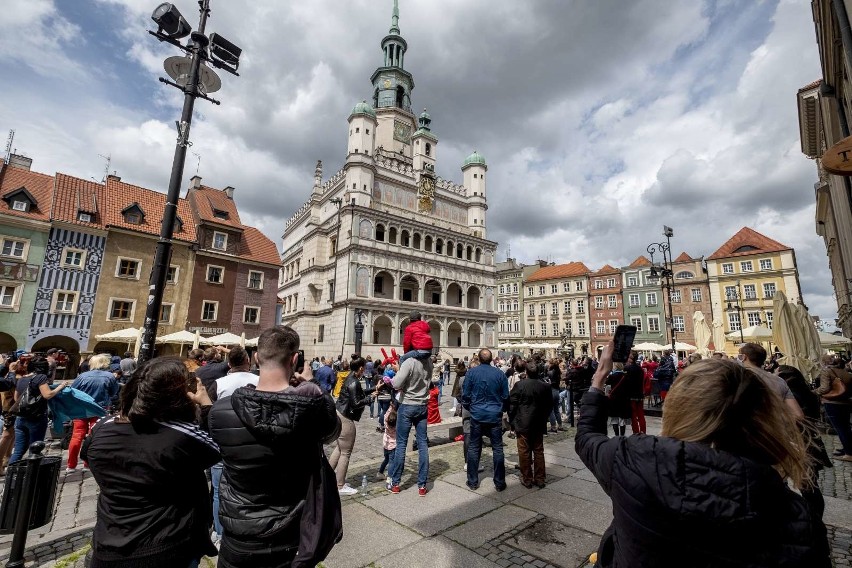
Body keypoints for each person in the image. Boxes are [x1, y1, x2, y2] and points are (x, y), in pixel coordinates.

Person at [577, 341, 819, 567]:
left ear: (679, 405)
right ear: (764, 417)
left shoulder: (635, 460)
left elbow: (587, 438)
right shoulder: (793, 513)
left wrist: (598, 379)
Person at [209, 326, 340, 568]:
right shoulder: (311, 410)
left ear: (256, 358)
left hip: (238, 533)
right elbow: (333, 432)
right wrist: (315, 389)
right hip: (288, 533)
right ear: (295, 359)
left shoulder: (220, 411)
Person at [83, 357, 219, 568]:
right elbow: (216, 450)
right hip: (167, 543)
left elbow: (88, 456)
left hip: (108, 542)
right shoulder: (180, 436)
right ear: (177, 397)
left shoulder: (102, 428)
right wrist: (207, 405)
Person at [777, 365, 832, 568]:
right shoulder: (806, 392)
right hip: (808, 443)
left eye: (778, 374)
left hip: (801, 444)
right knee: (810, 485)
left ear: (787, 379)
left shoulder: (795, 394)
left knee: (808, 486)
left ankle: (814, 522)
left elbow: (796, 418)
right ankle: (815, 520)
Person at [207, 346, 258, 547]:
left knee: (219, 491)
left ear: (229, 364)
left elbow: (206, 411)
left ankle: (219, 534)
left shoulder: (219, 383)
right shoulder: (258, 381)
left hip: (222, 443)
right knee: (249, 488)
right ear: (247, 360)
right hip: (251, 443)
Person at [462, 348, 509, 492]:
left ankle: (472, 481)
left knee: (474, 448)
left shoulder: (471, 373)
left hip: (477, 415)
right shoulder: (500, 374)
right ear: (491, 359)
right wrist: (501, 409)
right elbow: (506, 396)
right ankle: (499, 482)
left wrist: (471, 407)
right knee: (498, 448)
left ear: (479, 359)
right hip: (494, 415)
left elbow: (465, 396)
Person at [388, 350, 433, 496]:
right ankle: (422, 486)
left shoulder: (409, 362)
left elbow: (396, 384)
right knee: (423, 444)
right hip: (422, 406)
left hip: (407, 405)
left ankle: (395, 483)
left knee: (401, 444)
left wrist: (397, 370)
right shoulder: (429, 362)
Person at [66, 354, 120, 473]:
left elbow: (73, 391)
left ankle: (71, 465)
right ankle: (87, 464)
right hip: (99, 409)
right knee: (93, 436)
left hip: (81, 409)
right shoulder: (109, 376)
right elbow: (114, 392)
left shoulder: (82, 376)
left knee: (77, 436)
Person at [10, 356, 69, 464]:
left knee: (18, 451)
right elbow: (47, 394)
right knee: (35, 450)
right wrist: (61, 386)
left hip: (21, 418)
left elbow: (16, 399)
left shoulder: (22, 379)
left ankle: (11, 475)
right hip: (36, 417)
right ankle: (32, 476)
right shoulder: (40, 377)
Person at [330, 357, 371, 496]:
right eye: (363, 368)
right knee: (345, 452)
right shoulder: (353, 381)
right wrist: (370, 399)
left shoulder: (349, 377)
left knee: (339, 448)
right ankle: (340, 485)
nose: (364, 370)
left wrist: (373, 390)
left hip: (338, 412)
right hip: (345, 417)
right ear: (360, 368)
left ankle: (328, 477)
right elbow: (356, 402)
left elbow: (358, 393)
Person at [508, 361, 552, 488]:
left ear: (526, 372)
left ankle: (527, 478)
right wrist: (544, 418)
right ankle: (540, 478)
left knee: (524, 451)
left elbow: (512, 405)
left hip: (523, 422)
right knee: (538, 450)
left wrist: (513, 422)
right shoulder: (545, 386)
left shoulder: (519, 385)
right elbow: (549, 406)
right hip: (538, 422)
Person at [738, 343, 804, 420]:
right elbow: (798, 415)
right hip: (776, 428)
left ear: (744, 357)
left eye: (740, 356)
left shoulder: (737, 379)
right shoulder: (779, 381)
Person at [814, 353, 852, 461]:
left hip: (832, 402)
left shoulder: (827, 371)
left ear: (823, 362)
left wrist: (814, 392)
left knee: (840, 428)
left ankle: (849, 453)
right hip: (845, 402)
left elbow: (824, 388)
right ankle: (848, 448)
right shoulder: (845, 371)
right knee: (846, 427)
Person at [605, 363, 632, 437]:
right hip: (623, 400)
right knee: (622, 420)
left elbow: (606, 383)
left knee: (614, 419)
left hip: (614, 400)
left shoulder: (612, 376)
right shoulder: (625, 376)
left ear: (615, 367)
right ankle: (622, 436)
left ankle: (616, 436)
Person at [624, 351, 646, 434]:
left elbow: (626, 382)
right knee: (641, 414)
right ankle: (643, 431)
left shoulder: (628, 368)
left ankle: (636, 432)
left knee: (633, 415)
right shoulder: (640, 368)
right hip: (639, 393)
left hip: (631, 394)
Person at [378, 405, 397, 486]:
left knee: (386, 459)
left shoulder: (386, 422)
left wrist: (391, 406)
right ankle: (390, 478)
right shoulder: (396, 426)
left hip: (386, 444)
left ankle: (380, 473)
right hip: (393, 446)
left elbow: (386, 414)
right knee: (391, 462)